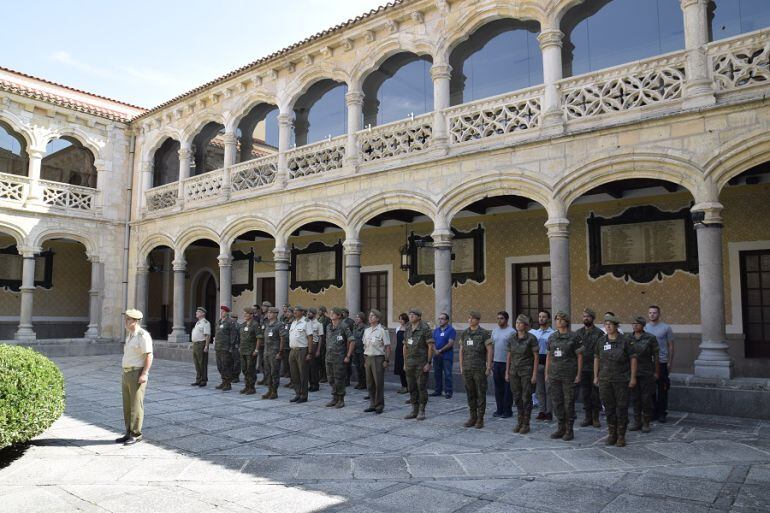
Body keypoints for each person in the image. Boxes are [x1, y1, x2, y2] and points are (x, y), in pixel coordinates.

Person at [594, 314, 638, 447]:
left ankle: (621, 435)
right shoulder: (601, 341)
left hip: (621, 380)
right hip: (605, 380)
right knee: (609, 408)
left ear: (616, 326)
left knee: (621, 408)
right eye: (606, 324)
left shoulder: (625, 340)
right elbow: (597, 358)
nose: (608, 327)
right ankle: (612, 433)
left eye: (610, 324)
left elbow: (633, 359)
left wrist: (633, 377)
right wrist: (595, 376)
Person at [117, 309, 153, 446]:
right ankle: (128, 432)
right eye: (126, 319)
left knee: (136, 404)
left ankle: (136, 434)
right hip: (126, 373)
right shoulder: (130, 335)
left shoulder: (142, 335)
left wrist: (144, 373)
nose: (125, 322)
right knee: (127, 405)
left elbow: (149, 355)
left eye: (128, 320)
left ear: (135, 321)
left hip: (136, 373)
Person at [545, 311, 583, 441]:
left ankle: (569, 429)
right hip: (554, 374)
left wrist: (578, 374)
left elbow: (579, 356)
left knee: (569, 403)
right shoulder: (552, 337)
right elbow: (549, 356)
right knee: (557, 402)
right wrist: (547, 372)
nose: (558, 322)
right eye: (557, 319)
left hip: (569, 375)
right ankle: (560, 427)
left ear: (567, 321)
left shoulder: (574, 337)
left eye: (561, 319)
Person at [505, 314, 539, 434]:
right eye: (517, 323)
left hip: (527, 372)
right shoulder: (512, 338)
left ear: (525, 325)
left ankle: (526, 423)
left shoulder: (531, 338)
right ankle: (519, 421)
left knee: (526, 397)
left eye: (520, 323)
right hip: (514, 371)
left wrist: (534, 374)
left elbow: (536, 357)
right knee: (517, 397)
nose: (518, 325)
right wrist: (507, 372)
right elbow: (509, 355)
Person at [459, 311, 493, 429]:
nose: (470, 320)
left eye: (472, 318)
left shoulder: (484, 333)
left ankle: (480, 419)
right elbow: (461, 350)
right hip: (467, 368)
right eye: (469, 318)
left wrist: (488, 366)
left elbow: (489, 350)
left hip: (479, 368)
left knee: (480, 393)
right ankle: (472, 417)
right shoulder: (464, 333)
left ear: (477, 320)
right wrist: (461, 366)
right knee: (470, 393)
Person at [403, 308, 435, 421]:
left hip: (421, 363)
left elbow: (431, 347)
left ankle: (422, 410)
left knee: (421, 387)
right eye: (410, 314)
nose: (411, 316)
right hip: (410, 363)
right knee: (411, 387)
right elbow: (405, 346)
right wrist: (404, 362)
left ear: (419, 317)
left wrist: (429, 362)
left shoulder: (425, 328)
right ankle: (414, 409)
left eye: (413, 315)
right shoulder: (407, 328)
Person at [629, 316, 659, 433]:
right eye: (633, 323)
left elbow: (656, 356)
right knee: (635, 398)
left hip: (646, 372)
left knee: (646, 398)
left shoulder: (650, 338)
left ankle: (646, 421)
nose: (635, 325)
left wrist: (656, 372)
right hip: (633, 373)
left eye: (638, 324)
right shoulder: (628, 338)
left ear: (643, 325)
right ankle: (637, 421)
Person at [645, 305, 674, 423]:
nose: (652, 314)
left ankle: (662, 413)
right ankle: (653, 412)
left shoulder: (666, 328)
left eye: (655, 313)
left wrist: (670, 362)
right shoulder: (645, 327)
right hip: (648, 363)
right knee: (650, 389)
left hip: (662, 362)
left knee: (662, 388)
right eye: (650, 313)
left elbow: (671, 345)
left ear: (659, 314)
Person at [576, 308, 604, 429]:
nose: (585, 318)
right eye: (584, 316)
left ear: (593, 318)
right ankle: (588, 417)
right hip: (583, 368)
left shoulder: (599, 333)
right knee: (585, 394)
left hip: (595, 368)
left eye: (588, 316)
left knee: (595, 394)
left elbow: (601, 352)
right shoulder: (578, 333)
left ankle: (595, 417)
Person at [325, 307, 355, 408]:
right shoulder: (328, 326)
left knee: (339, 379)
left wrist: (348, 355)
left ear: (338, 316)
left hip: (339, 357)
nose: (331, 314)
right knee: (330, 379)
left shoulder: (343, 326)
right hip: (329, 357)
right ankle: (334, 398)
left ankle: (341, 399)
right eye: (331, 313)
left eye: (334, 313)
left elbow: (352, 341)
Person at [363, 309, 391, 414]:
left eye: (373, 316)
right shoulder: (367, 330)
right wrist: (365, 359)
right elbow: (364, 346)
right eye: (369, 316)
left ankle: (379, 405)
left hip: (378, 358)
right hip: (368, 358)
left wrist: (386, 360)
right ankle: (372, 404)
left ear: (378, 319)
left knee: (378, 383)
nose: (370, 317)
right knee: (369, 383)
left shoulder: (382, 330)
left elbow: (387, 347)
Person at [531, 310, 555, 421]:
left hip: (548, 362)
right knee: (540, 389)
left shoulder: (552, 333)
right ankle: (542, 410)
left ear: (548, 319)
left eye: (544, 317)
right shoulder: (535, 333)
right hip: (538, 362)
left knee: (548, 388)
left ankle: (549, 411)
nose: (541, 319)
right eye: (540, 316)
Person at [288, 304, 313, 403]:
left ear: (302, 312)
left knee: (303, 374)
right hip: (292, 350)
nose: (295, 312)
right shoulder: (294, 322)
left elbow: (310, 337)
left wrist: (310, 352)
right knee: (294, 374)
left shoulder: (306, 322)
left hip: (302, 351)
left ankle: (304, 395)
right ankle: (297, 393)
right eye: (294, 310)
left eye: (297, 310)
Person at [491, 311, 515, 418]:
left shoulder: (512, 332)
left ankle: (507, 410)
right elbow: (491, 347)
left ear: (506, 319)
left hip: (507, 363)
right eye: (498, 318)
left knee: (507, 389)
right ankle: (499, 409)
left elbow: (514, 349)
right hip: (496, 362)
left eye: (501, 318)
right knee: (498, 388)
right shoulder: (494, 331)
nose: (499, 320)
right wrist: (490, 361)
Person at [260, 306, 284, 399]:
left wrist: (280, 352)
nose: (268, 314)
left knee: (274, 372)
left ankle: (274, 391)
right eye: (268, 313)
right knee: (267, 372)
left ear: (275, 314)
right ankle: (269, 390)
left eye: (270, 313)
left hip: (275, 352)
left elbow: (282, 339)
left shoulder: (279, 325)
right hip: (266, 352)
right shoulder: (267, 324)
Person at [238, 307, 263, 395]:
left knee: (250, 369)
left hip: (251, 351)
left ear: (251, 315)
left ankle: (251, 387)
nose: (244, 315)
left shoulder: (255, 324)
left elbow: (259, 338)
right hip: (243, 350)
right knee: (244, 369)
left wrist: (256, 349)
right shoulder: (243, 324)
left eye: (246, 313)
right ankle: (247, 386)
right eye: (244, 313)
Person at [431, 312, 456, 399]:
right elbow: (432, 342)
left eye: (442, 319)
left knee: (447, 374)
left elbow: (451, 343)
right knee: (437, 374)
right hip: (437, 356)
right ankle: (438, 391)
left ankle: (448, 391)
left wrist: (440, 350)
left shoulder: (451, 330)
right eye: (439, 319)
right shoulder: (436, 330)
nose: (440, 320)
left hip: (446, 356)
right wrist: (435, 350)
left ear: (447, 320)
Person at [214, 305, 238, 391]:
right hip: (218, 347)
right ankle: (223, 381)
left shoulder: (230, 322)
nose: (221, 313)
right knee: (219, 366)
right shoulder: (219, 321)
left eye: (223, 311)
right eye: (221, 311)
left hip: (226, 348)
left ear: (227, 313)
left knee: (226, 366)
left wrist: (231, 347)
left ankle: (228, 384)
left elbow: (233, 335)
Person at [190, 306, 210, 387]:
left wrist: (206, 346)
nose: (196, 313)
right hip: (195, 344)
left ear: (203, 313)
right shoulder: (198, 323)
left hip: (201, 344)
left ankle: (203, 380)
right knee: (197, 363)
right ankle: (198, 379)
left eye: (198, 312)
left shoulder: (206, 323)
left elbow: (207, 335)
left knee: (202, 363)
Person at [307, 307, 324, 392]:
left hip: (314, 345)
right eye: (308, 312)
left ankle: (315, 385)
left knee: (314, 367)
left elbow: (320, 337)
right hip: (306, 345)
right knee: (308, 367)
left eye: (310, 312)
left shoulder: (318, 324)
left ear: (314, 314)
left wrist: (318, 350)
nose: (308, 314)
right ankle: (310, 384)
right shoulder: (306, 322)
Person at [394, 313, 409, 394]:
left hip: (406, 350)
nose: (400, 320)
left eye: (402, 319)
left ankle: (408, 386)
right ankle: (403, 386)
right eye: (399, 319)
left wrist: (407, 344)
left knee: (406, 369)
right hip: (399, 350)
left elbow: (411, 341)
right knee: (400, 368)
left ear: (405, 319)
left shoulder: (408, 329)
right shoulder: (397, 328)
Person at [352, 312, 367, 389]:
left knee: (362, 368)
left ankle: (364, 383)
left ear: (362, 319)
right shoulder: (355, 327)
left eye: (358, 317)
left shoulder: (365, 328)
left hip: (362, 351)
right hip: (355, 350)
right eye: (356, 317)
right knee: (357, 367)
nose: (356, 319)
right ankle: (360, 382)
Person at [317, 305, 330, 383]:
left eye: (320, 310)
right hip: (318, 341)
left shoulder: (327, 320)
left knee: (323, 359)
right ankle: (320, 375)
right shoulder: (318, 319)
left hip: (324, 342)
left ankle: (325, 376)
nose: (319, 312)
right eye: (318, 310)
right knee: (319, 360)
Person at [230, 313, 241, 383]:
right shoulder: (229, 325)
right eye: (232, 317)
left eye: (234, 317)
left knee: (236, 362)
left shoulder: (239, 326)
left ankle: (236, 376)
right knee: (230, 361)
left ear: (236, 318)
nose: (232, 319)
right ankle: (231, 375)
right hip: (229, 346)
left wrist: (239, 345)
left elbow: (241, 337)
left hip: (236, 346)